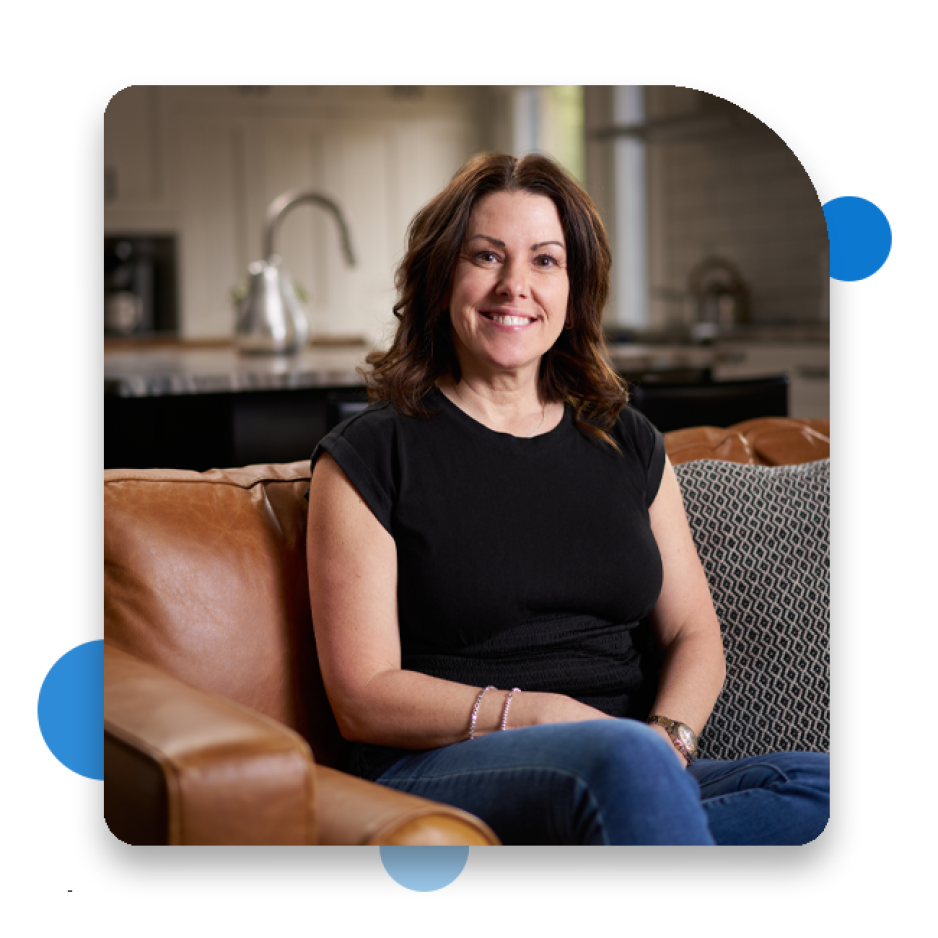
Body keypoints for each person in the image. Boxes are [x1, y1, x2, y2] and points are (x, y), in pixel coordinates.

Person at [306, 152, 829, 845]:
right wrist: (541, 715)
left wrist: (667, 742)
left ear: (575, 288)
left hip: (629, 759)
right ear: (441, 279)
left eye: (545, 261)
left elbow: (693, 634)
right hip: (441, 767)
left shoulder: (631, 444)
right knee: (626, 765)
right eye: (486, 256)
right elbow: (362, 696)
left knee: (833, 785)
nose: (514, 285)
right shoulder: (369, 455)